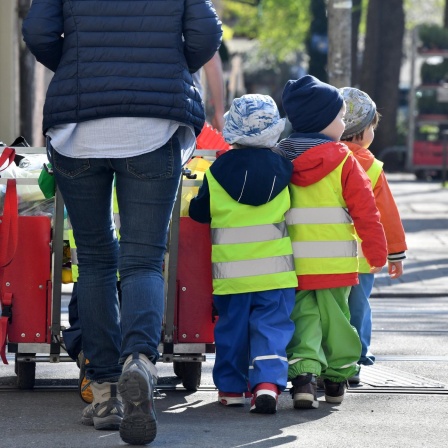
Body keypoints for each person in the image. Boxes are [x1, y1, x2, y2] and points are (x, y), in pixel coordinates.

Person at [22, 0, 222, 445]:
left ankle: (108, 389)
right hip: (155, 125)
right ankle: (141, 362)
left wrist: (76, 67)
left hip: (77, 128)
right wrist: (168, 68)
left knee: (94, 260)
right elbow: (206, 34)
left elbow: (37, 32)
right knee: (144, 260)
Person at [276, 75, 387, 409]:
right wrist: (377, 250)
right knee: (338, 320)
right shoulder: (344, 161)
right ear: (324, 122)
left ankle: (304, 380)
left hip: (292, 265)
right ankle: (337, 378)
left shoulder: (280, 158)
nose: (344, 123)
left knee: (304, 321)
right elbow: (366, 211)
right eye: (340, 117)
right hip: (337, 265)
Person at [189, 94, 298, 414]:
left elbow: (199, 213)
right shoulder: (285, 170)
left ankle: (231, 388)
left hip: (231, 276)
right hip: (275, 272)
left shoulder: (216, 171)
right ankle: (266, 383)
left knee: (231, 331)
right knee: (272, 328)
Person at [340, 87, 407, 381]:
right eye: (372, 127)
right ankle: (356, 356)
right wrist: (395, 253)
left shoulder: (323, 159)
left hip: (322, 254)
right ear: (363, 131)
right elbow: (387, 215)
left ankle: (329, 357)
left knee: (330, 309)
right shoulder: (372, 167)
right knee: (359, 308)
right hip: (363, 257)